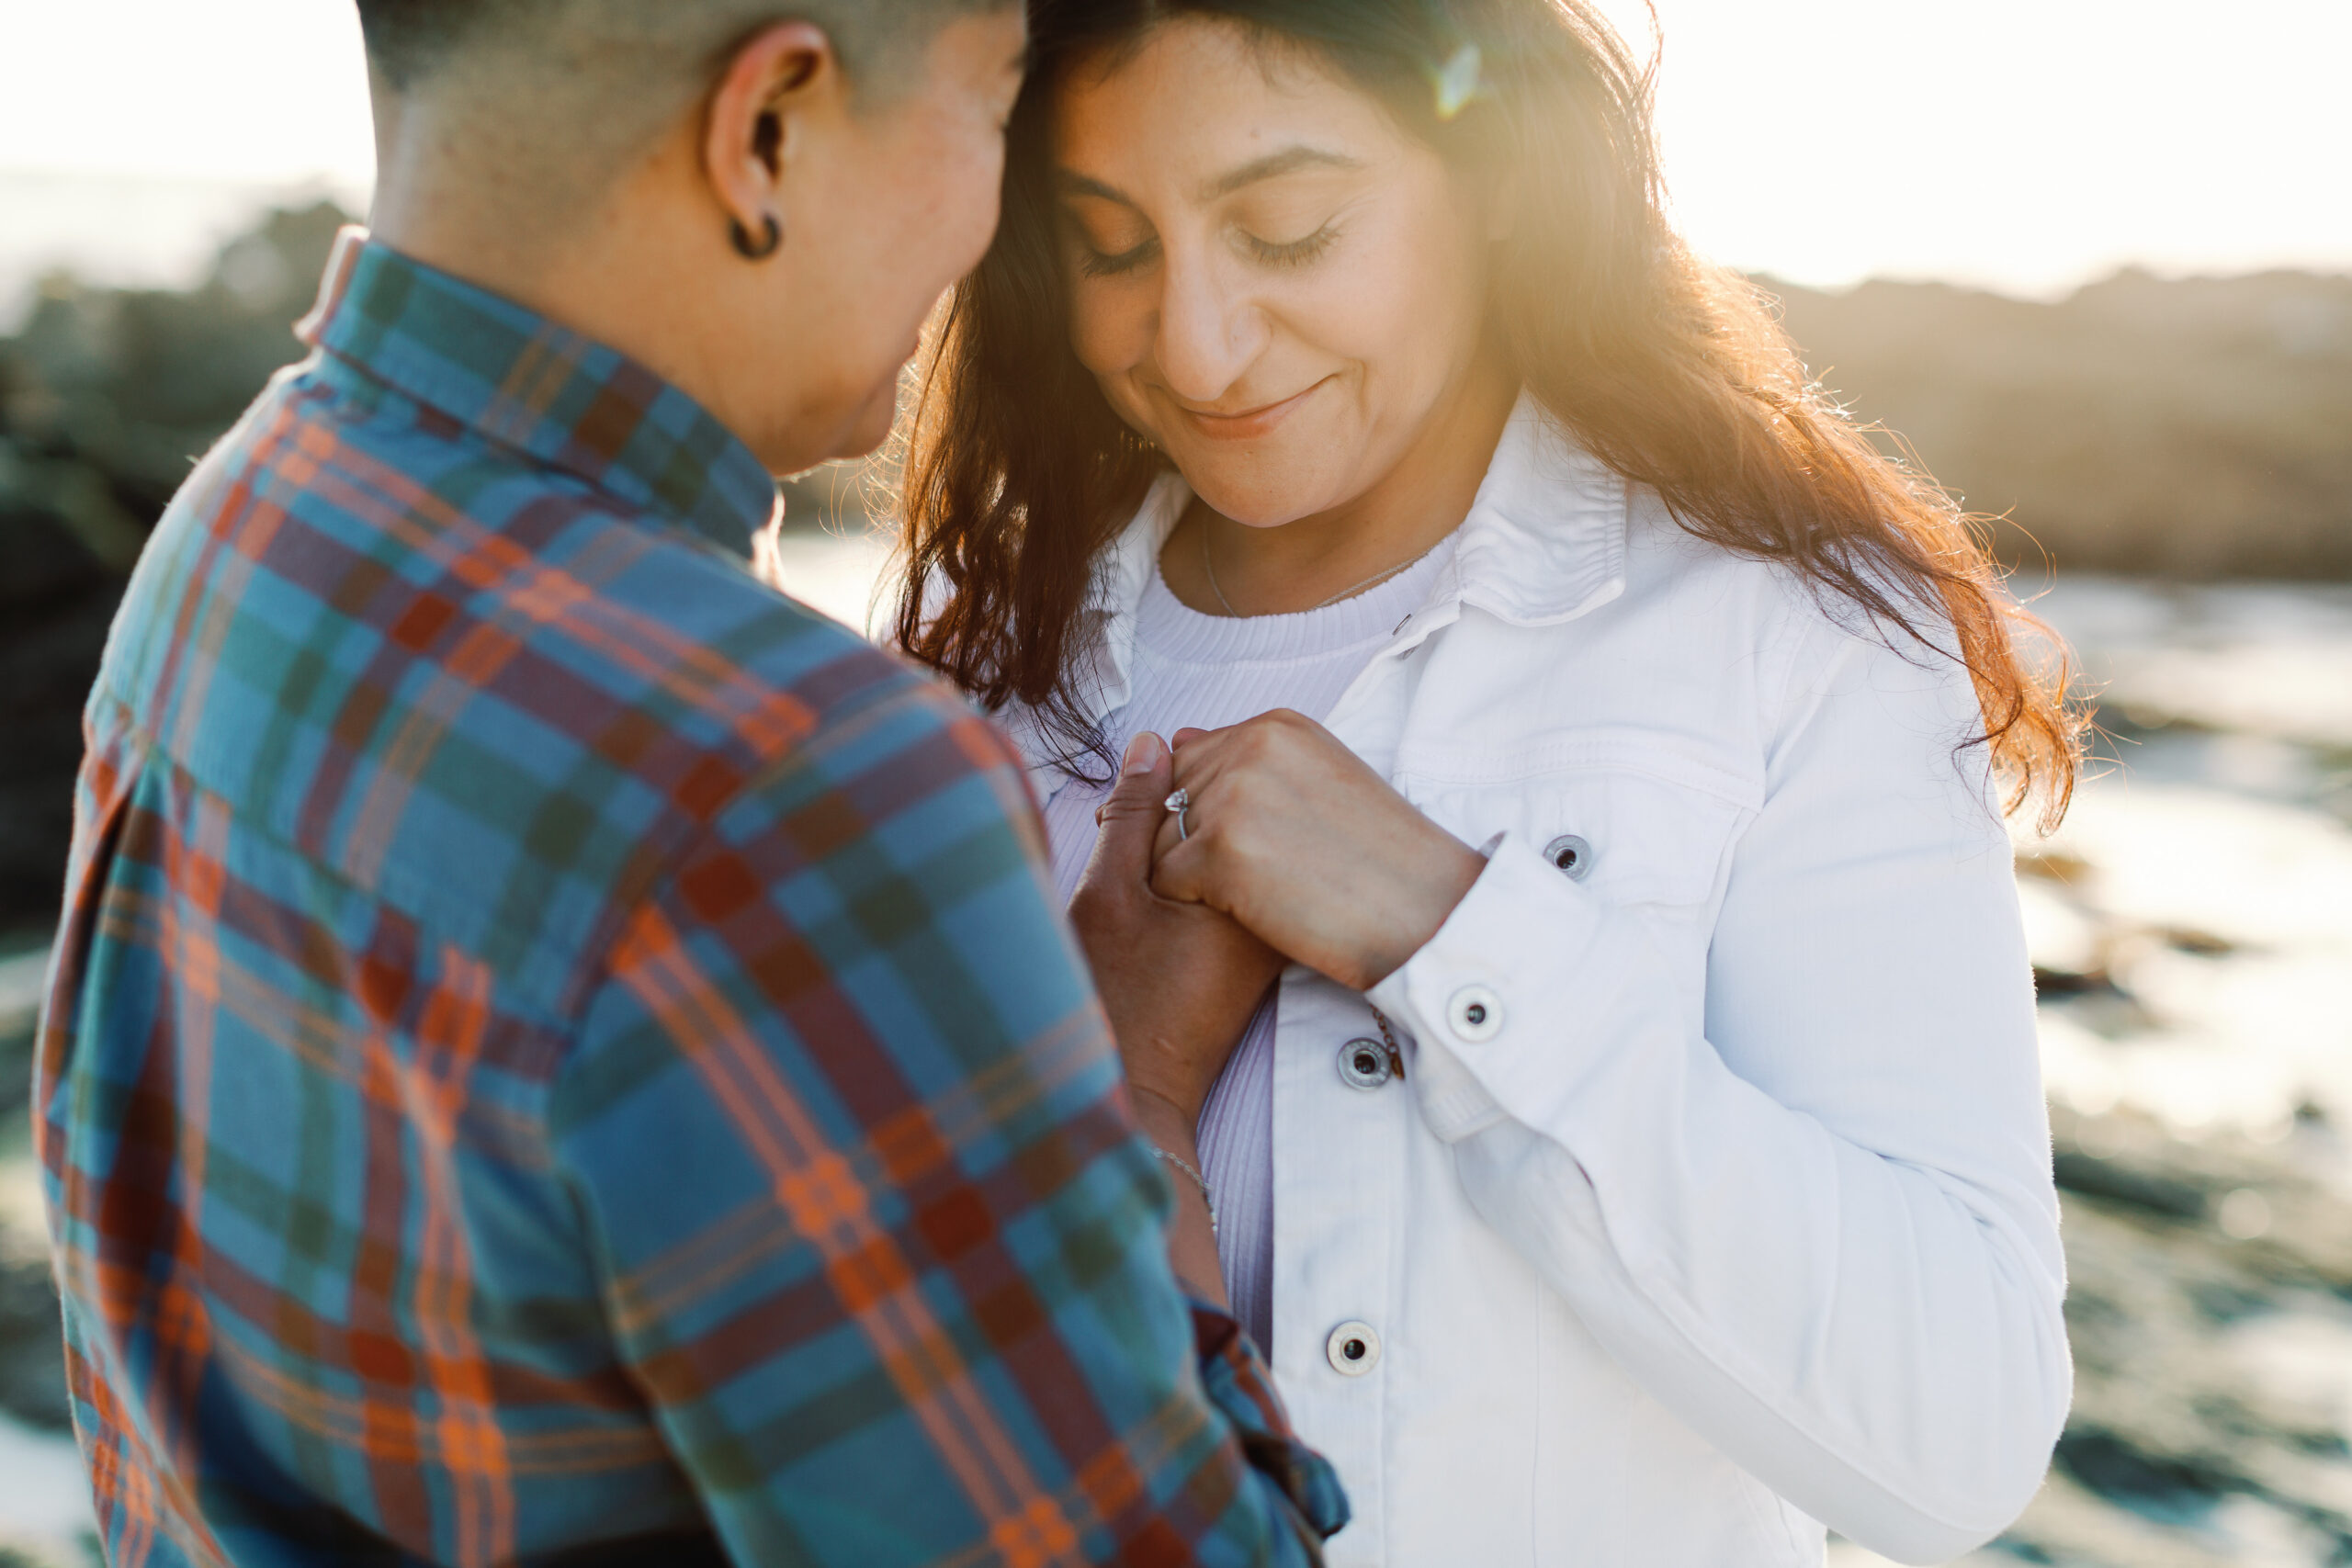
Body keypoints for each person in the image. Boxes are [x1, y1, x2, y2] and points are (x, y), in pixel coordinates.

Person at [33, 2, 1346, 1563]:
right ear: (768, 127)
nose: (997, 225)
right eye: (993, 108)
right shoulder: (786, 792)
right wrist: (1128, 1086)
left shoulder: (241, 519)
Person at [895, 2, 2082, 1563]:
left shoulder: (1779, 638)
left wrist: (1446, 932)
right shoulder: (971, 666)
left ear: (1501, 181)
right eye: (1109, 247)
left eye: (1292, 230)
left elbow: (1958, 1440)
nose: (1192, 342)